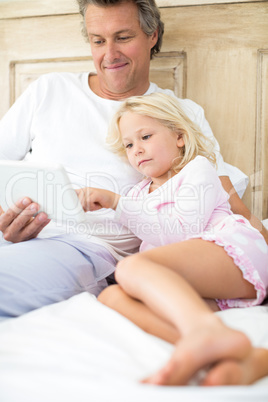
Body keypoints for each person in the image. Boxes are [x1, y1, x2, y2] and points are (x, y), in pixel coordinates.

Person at [0, 0, 267, 319]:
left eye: (123, 37)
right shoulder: (47, 89)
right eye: (98, 40)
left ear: (152, 35)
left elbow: (227, 199)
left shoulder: (179, 115)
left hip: (84, 250)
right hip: (17, 238)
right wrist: (7, 221)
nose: (109, 55)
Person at [75, 92, 268, 386]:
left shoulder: (197, 170)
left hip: (236, 254)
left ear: (179, 136)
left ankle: (208, 333)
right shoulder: (138, 195)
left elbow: (182, 232)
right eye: (129, 144)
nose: (137, 149)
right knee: (111, 295)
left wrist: (117, 202)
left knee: (131, 268)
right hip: (201, 281)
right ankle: (234, 357)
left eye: (146, 137)